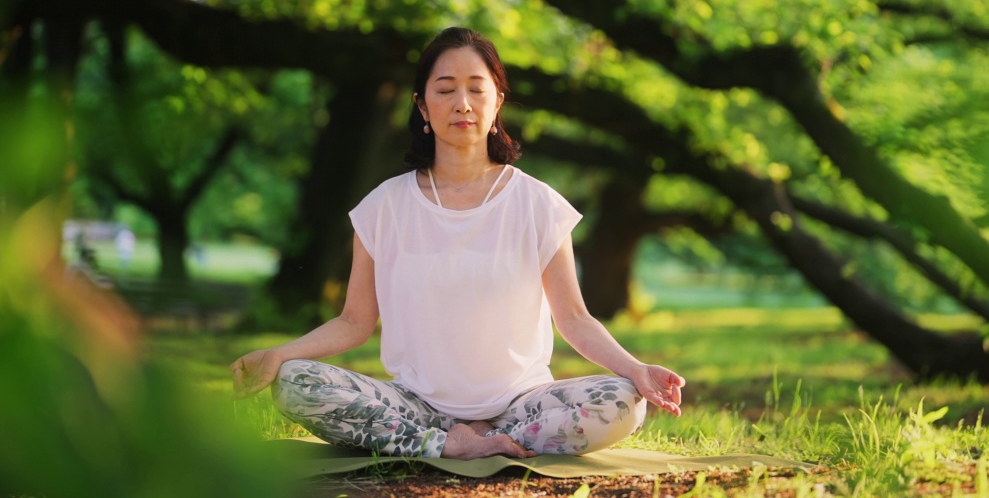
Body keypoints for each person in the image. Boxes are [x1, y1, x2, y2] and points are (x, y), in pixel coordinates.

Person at [230, 27, 684, 460]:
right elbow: (354, 321)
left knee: (624, 401)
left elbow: (575, 318)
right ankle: (446, 444)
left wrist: (636, 369)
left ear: (497, 102)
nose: (462, 103)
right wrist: (279, 354)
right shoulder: (384, 206)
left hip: (521, 405)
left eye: (476, 88)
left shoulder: (537, 203)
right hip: (413, 406)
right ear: (422, 107)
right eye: (445, 90)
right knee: (294, 383)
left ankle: (493, 438)